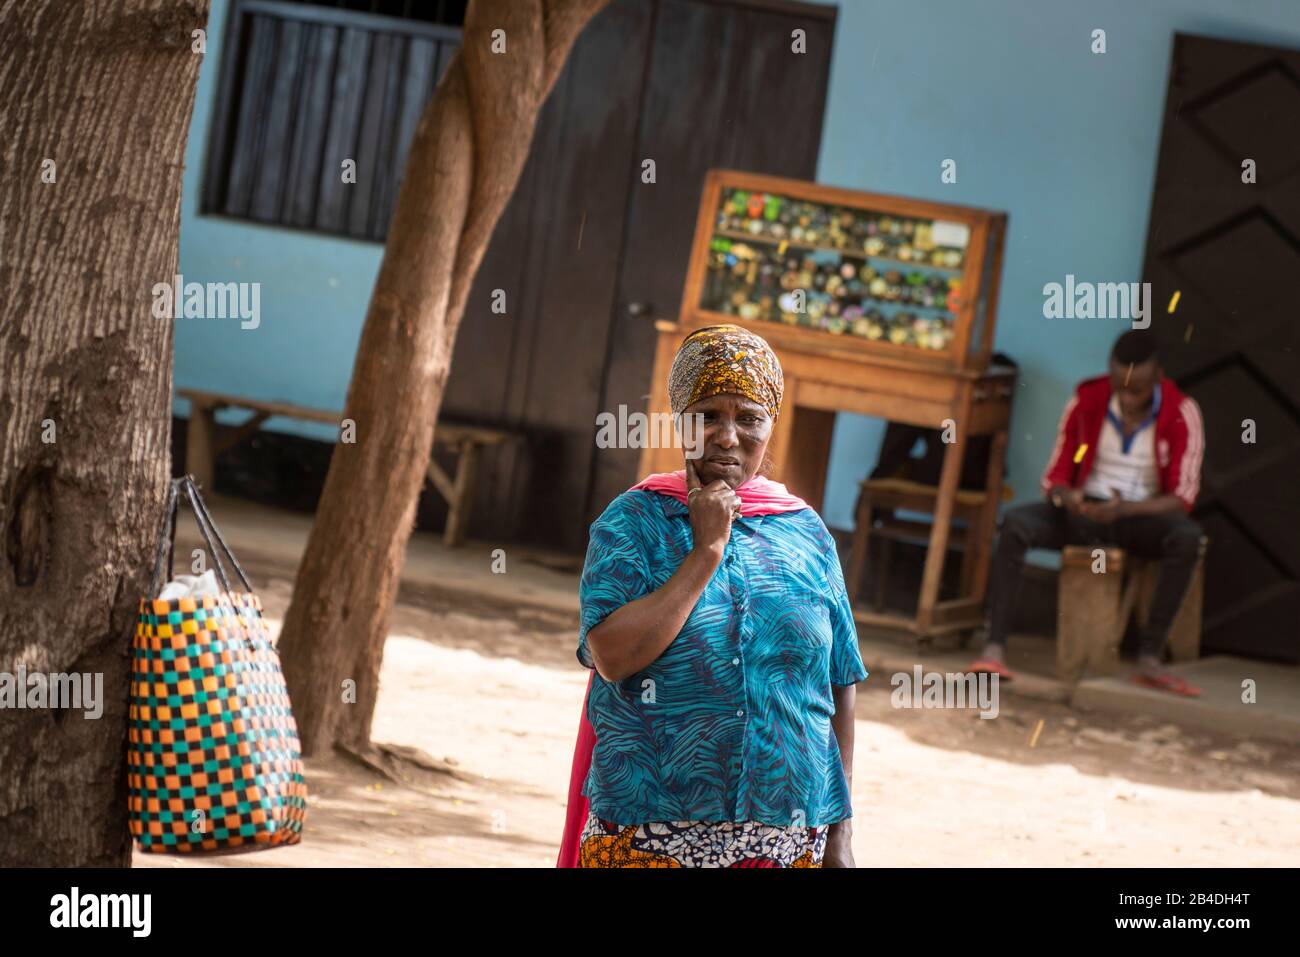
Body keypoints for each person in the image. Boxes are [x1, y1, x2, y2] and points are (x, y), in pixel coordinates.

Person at [557, 324, 869, 868]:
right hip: (648, 830)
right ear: (681, 421)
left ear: (770, 426)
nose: (729, 436)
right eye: (709, 416)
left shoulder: (806, 532)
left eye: (748, 417)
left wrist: (840, 835)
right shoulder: (634, 522)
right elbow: (612, 656)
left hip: (785, 837)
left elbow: (839, 686)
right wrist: (706, 551)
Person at [968, 328, 1206, 696]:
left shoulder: (1182, 411)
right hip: (1084, 514)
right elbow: (1056, 476)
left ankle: (1149, 656)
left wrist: (1126, 510)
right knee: (1016, 524)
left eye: (1137, 390)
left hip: (1140, 517)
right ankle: (994, 648)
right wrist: (1068, 498)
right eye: (1119, 386)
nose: (1126, 398)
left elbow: (1183, 497)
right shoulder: (1087, 398)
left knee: (1188, 538)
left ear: (1158, 376)